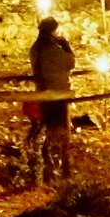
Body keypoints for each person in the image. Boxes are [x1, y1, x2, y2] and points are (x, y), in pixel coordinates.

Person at [26, 17, 74, 182]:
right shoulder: (52, 49)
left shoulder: (35, 48)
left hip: (42, 93)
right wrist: (66, 44)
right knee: (60, 132)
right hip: (57, 93)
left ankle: (47, 168)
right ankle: (62, 170)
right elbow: (70, 62)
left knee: (45, 129)